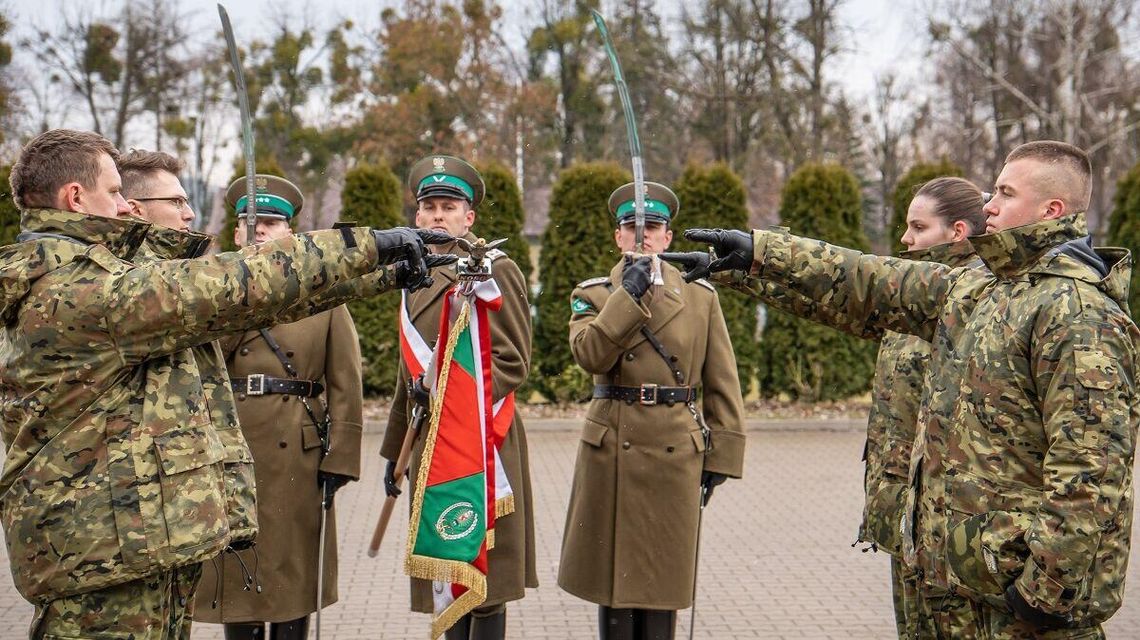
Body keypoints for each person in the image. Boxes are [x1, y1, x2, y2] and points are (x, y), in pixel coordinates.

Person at [675, 141, 1138, 639]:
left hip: (1016, 604)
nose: (990, 206)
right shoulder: (982, 288)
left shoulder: (1076, 310)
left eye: (1005, 193)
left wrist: (1046, 589)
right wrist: (758, 254)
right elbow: (869, 280)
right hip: (959, 577)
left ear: (1052, 210)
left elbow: (1091, 469)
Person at [0, 129, 447, 640]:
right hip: (97, 554)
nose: (126, 207)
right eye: (116, 192)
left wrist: (386, 273)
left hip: (127, 544)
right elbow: (232, 285)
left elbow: (267, 300)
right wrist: (370, 244)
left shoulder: (99, 277)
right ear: (75, 198)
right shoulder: (77, 289)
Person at [557, 182, 747, 640]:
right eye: (631, 227)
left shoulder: (700, 298)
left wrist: (722, 454)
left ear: (668, 237)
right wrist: (627, 297)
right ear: (618, 237)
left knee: (663, 580)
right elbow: (590, 356)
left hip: (674, 449)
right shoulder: (595, 295)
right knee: (614, 583)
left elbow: (722, 381)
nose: (642, 236)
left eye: (653, 227)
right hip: (612, 449)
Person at [380, 154, 537, 640]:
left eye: (450, 206)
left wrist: (452, 397)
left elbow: (513, 360)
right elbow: (410, 376)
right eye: (430, 207)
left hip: (485, 443)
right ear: (417, 217)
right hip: (429, 446)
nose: (438, 215)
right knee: (449, 575)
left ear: (469, 217)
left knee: (485, 583)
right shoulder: (414, 274)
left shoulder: (491, 269)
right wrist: (394, 454)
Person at [858, 177, 987, 638]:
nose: (905, 238)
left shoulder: (974, 297)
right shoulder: (912, 296)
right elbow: (833, 294)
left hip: (943, 521)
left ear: (956, 232)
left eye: (918, 226)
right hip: (901, 512)